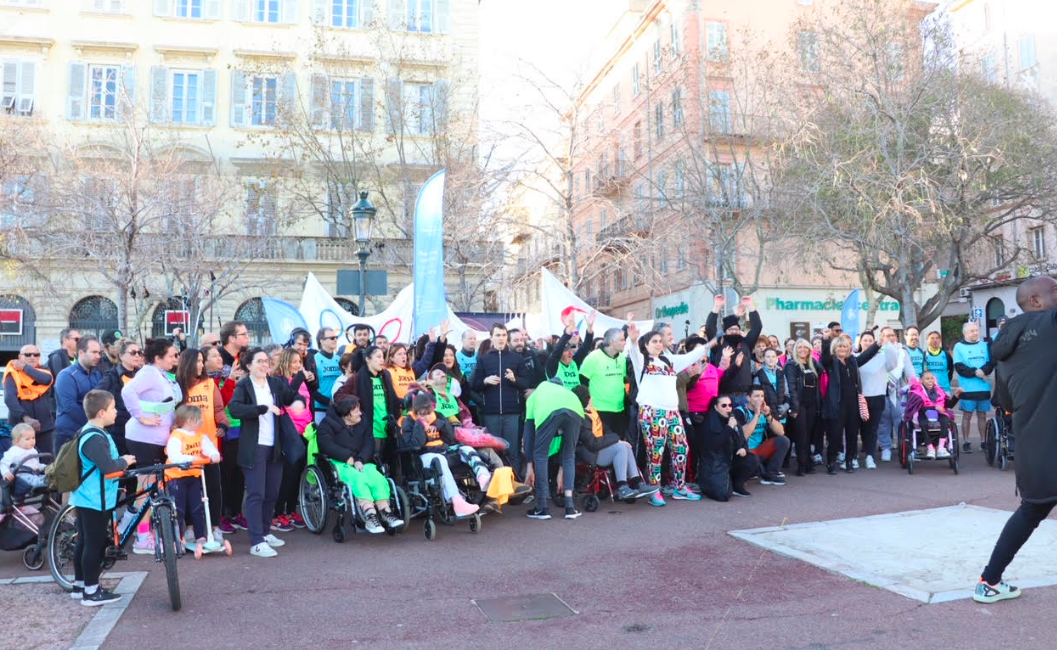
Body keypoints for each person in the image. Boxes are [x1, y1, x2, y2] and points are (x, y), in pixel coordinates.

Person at [974, 276, 1057, 603]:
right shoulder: (1050, 322)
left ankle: (988, 580)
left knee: (1031, 512)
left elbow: (1005, 403)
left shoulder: (1003, 351)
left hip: (1034, 447)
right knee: (1031, 513)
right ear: (1036, 301)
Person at [626, 319, 716, 505]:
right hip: (652, 413)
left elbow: (689, 357)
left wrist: (709, 344)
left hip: (672, 412)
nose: (659, 344)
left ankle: (680, 486)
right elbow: (634, 351)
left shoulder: (668, 360)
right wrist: (633, 340)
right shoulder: (642, 360)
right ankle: (654, 489)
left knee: (681, 448)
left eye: (660, 341)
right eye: (654, 341)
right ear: (646, 345)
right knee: (655, 453)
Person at [228, 347, 306, 558]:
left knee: (272, 493)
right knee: (256, 494)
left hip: (275, 446)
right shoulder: (244, 385)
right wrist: (262, 408)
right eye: (259, 361)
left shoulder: (275, 383)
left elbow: (291, 396)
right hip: (254, 448)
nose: (264, 365)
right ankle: (257, 541)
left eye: (266, 361)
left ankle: (265, 531)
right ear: (249, 365)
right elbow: (235, 409)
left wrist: (299, 401)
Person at [69, 390, 136, 606]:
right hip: (95, 498)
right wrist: (124, 461)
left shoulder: (89, 431)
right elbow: (108, 467)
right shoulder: (95, 437)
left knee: (85, 541)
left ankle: (80, 586)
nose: (116, 412)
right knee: (93, 544)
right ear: (101, 412)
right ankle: (91, 591)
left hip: (86, 496)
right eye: (113, 408)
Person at [121, 338, 181, 553]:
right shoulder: (148, 372)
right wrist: (141, 417)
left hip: (156, 439)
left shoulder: (161, 374)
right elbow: (127, 392)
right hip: (143, 438)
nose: (176, 358)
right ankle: (142, 537)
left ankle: (142, 530)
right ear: (158, 358)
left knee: (150, 487)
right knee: (144, 488)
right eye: (173, 355)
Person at [316, 396, 404, 533]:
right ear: (347, 413)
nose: (360, 413)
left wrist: (360, 459)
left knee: (377, 477)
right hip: (339, 463)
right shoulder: (327, 424)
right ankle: (369, 515)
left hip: (361, 461)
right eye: (356, 411)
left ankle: (385, 511)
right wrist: (346, 457)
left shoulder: (363, 423)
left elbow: (369, 443)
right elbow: (326, 445)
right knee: (358, 479)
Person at [176, 347, 230, 541]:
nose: (201, 365)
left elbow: (218, 409)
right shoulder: (178, 385)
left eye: (202, 361)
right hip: (187, 447)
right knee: (190, 488)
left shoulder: (209, 384)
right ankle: (190, 527)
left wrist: (223, 424)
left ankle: (215, 527)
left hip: (208, 446)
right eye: (197, 361)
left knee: (214, 487)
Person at [400, 392, 481, 517]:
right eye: (422, 414)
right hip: (422, 456)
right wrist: (420, 425)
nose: (427, 416)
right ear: (416, 412)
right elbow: (415, 445)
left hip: (442, 450)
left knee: (466, 449)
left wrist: (440, 424)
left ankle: (482, 475)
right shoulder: (409, 421)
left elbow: (451, 439)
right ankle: (456, 500)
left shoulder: (438, 416)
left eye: (428, 413)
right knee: (438, 459)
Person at [572, 385, 655, 501]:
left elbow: (606, 430)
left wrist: (618, 439)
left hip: (599, 449)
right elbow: (593, 444)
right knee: (620, 447)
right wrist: (616, 440)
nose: (592, 397)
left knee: (626, 446)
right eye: (590, 395)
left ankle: (637, 482)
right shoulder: (582, 418)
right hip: (592, 454)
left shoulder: (592, 411)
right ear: (587, 398)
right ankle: (622, 486)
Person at [522, 378, 585, 520]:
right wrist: (561, 471)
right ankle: (570, 507)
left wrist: (529, 466)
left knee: (541, 455)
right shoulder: (566, 392)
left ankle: (542, 507)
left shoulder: (536, 395)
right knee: (570, 455)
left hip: (549, 412)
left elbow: (529, 437)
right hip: (576, 409)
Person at [820, 328, 880, 474]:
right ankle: (831, 462)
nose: (842, 348)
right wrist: (826, 340)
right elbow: (824, 356)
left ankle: (849, 461)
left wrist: (877, 344)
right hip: (837, 403)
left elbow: (865, 356)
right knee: (835, 435)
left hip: (853, 403)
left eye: (845, 346)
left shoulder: (852, 360)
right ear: (835, 348)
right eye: (839, 346)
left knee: (852, 434)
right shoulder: (831, 362)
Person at [164, 405, 221, 557]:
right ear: (189, 420)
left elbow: (208, 447)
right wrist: (192, 459)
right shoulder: (177, 436)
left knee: (198, 506)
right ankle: (177, 538)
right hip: (177, 477)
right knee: (179, 509)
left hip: (194, 475)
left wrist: (214, 454)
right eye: (199, 419)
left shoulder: (199, 436)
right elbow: (174, 455)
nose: (202, 421)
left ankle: (200, 536)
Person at [471, 323, 529, 472]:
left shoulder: (516, 358)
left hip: (512, 412)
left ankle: (514, 486)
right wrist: (485, 381)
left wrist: (514, 379)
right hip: (491, 412)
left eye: (504, 335)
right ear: (491, 338)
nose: (501, 338)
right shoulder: (484, 359)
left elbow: (526, 383)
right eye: (498, 335)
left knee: (513, 451)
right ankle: (496, 486)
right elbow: (475, 385)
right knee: (494, 453)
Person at [333, 345, 400, 462]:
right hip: (369, 429)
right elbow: (338, 396)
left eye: (383, 357)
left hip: (386, 428)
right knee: (374, 464)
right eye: (378, 357)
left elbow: (393, 399)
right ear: (368, 359)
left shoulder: (385, 376)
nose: (382, 360)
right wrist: (358, 400)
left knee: (390, 465)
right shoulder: (357, 377)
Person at [704, 295, 763, 405]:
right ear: (725, 332)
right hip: (725, 395)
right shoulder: (719, 344)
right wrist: (716, 307)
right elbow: (710, 328)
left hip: (745, 395)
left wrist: (750, 307)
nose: (734, 331)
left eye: (736, 329)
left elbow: (757, 327)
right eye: (731, 329)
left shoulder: (746, 343)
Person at [698, 395, 759, 500]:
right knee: (723, 495)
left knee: (752, 460)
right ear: (716, 407)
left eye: (730, 405)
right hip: (715, 463)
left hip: (731, 459)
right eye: (724, 405)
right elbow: (714, 444)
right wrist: (729, 428)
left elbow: (743, 439)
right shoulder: (708, 423)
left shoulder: (732, 419)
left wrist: (744, 448)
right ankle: (711, 484)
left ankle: (737, 484)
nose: (728, 408)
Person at [856, 329, 900, 470]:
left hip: (877, 397)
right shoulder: (855, 357)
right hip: (859, 398)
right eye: (865, 340)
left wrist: (887, 343)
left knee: (872, 429)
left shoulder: (882, 357)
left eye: (870, 340)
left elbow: (893, 362)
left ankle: (870, 456)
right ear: (860, 342)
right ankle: (853, 455)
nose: (868, 343)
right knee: (857, 428)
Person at [53, 335, 103, 454]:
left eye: (99, 353)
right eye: (94, 352)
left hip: (91, 432)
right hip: (69, 434)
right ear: (81, 352)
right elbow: (69, 406)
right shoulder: (66, 375)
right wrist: (94, 422)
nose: (98, 356)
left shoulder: (97, 374)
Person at [578, 327, 630, 439]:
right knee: (604, 445)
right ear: (612, 342)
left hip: (620, 409)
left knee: (620, 442)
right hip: (600, 410)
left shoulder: (622, 358)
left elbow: (623, 379)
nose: (625, 342)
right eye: (622, 340)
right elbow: (582, 381)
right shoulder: (593, 358)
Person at [4, 344, 55, 457]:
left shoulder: (44, 370)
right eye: (27, 354)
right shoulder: (12, 373)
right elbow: (9, 399)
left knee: (45, 461)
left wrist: (25, 368)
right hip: (20, 428)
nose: (32, 357)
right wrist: (26, 418)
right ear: (19, 357)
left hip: (44, 428)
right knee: (20, 463)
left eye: (36, 355)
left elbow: (46, 380)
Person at [877, 326, 917, 463]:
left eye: (893, 335)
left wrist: (912, 384)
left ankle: (903, 446)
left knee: (900, 421)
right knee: (883, 423)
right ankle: (886, 448)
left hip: (898, 393)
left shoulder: (902, 351)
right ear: (881, 337)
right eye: (887, 336)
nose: (891, 338)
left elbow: (910, 372)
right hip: (881, 393)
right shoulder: (876, 352)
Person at [733, 386, 789, 485]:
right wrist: (756, 415)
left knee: (783, 440)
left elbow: (781, 432)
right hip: (744, 451)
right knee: (754, 467)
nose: (760, 399)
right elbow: (743, 435)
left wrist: (768, 415)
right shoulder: (740, 411)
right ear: (748, 398)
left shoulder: (765, 410)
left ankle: (771, 473)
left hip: (759, 450)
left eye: (762, 396)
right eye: (756, 396)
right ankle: (755, 471)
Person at [95, 340, 142, 455]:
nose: (137, 355)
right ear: (121, 356)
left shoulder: (141, 374)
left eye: (139, 352)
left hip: (139, 428)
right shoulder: (112, 375)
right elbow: (95, 396)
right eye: (132, 352)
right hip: (119, 430)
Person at [953, 321, 994, 454]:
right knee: (967, 415)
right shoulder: (958, 347)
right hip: (967, 388)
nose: (975, 333)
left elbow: (990, 363)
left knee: (982, 415)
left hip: (983, 388)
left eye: (976, 330)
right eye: (972, 331)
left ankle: (983, 442)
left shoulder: (985, 345)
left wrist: (983, 371)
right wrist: (977, 372)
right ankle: (966, 441)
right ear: (965, 333)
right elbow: (959, 367)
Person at [785, 339, 823, 476]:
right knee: (801, 436)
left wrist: (812, 358)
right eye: (799, 347)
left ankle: (807, 462)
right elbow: (791, 388)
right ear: (795, 349)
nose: (803, 350)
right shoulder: (791, 365)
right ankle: (801, 464)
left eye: (805, 347)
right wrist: (794, 408)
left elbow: (822, 369)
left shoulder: (812, 364)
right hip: (799, 405)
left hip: (812, 404)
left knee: (808, 435)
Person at [903, 373, 955, 459]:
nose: (930, 380)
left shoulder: (940, 391)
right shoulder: (916, 392)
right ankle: (930, 448)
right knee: (923, 423)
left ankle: (941, 448)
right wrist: (934, 407)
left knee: (945, 420)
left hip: (938, 413)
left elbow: (949, 404)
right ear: (921, 381)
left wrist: (956, 396)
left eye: (932, 378)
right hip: (922, 412)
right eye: (927, 379)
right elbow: (916, 407)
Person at [546, 311, 596, 389]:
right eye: (566, 350)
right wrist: (570, 327)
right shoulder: (553, 364)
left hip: (575, 401)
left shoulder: (574, 363)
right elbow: (558, 350)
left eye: (572, 349)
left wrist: (589, 328)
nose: (570, 352)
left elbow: (585, 347)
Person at [1, 424, 46, 495]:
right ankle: (43, 481)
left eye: (33, 438)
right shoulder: (13, 451)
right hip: (21, 477)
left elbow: (35, 465)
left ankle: (46, 480)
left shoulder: (33, 450)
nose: (32, 441)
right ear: (17, 442)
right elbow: (3, 463)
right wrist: (6, 473)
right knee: (32, 479)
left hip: (34, 474)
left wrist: (44, 467)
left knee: (43, 476)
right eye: (27, 439)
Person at [312, 328, 342, 423]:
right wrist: (328, 402)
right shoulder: (314, 360)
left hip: (338, 409)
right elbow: (311, 388)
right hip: (320, 409)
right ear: (322, 341)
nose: (335, 340)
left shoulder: (339, 359)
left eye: (336, 337)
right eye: (332, 338)